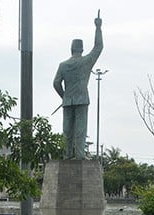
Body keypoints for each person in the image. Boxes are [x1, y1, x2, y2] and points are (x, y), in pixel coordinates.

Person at [53, 14, 103, 160]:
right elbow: (98, 47)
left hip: (68, 101)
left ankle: (67, 154)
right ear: (81, 49)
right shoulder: (86, 61)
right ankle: (80, 155)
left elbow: (56, 83)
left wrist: (64, 96)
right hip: (81, 100)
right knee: (80, 130)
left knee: (67, 130)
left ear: (71, 49)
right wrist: (98, 27)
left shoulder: (63, 65)